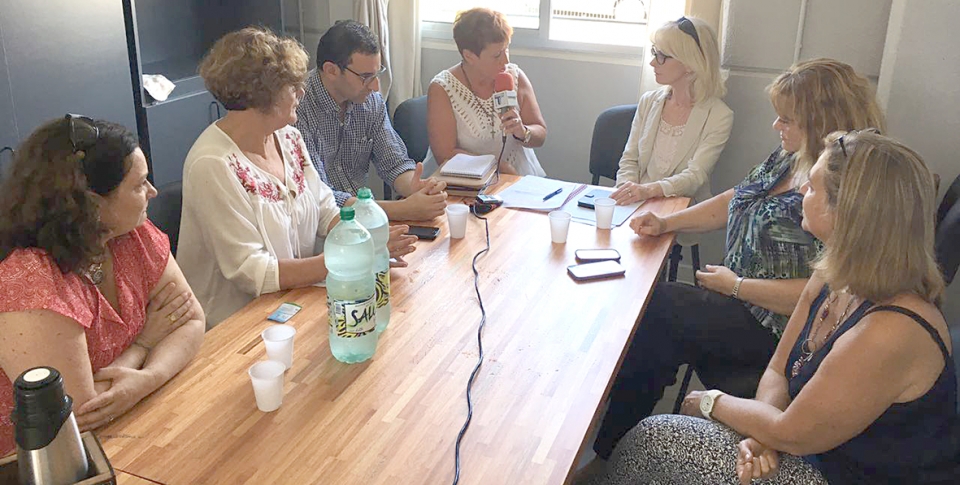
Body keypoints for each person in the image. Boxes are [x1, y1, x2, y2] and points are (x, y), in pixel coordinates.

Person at [590, 131, 960, 484]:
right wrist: (762, 435)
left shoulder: (892, 329)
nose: (801, 190)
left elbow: (793, 433)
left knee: (656, 441)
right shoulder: (830, 273)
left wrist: (710, 402)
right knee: (656, 443)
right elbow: (778, 370)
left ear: (847, 213)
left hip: (842, 475)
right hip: (804, 446)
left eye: (812, 186)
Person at [587, 58, 887, 463]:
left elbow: (829, 294)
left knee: (662, 310)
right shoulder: (790, 156)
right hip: (741, 300)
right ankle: (616, 444)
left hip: (775, 327)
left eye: (787, 119)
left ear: (821, 122)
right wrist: (667, 222)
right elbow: (737, 198)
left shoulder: (840, 187)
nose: (776, 126)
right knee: (659, 317)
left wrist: (737, 287)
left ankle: (611, 451)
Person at [179, 27, 417, 327]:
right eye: (292, 86)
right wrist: (349, 257)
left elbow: (325, 209)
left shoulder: (288, 137)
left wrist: (366, 238)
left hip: (292, 303)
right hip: (234, 325)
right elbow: (253, 272)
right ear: (263, 96)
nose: (301, 93)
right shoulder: (212, 164)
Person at [0, 116, 204, 456]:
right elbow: (80, 413)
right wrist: (145, 344)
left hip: (134, 422)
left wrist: (149, 378)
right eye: (139, 185)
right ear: (92, 204)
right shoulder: (30, 281)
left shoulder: (132, 233)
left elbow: (192, 319)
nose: (153, 192)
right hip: (46, 461)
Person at [296, 20, 447, 222]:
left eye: (377, 74)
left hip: (364, 220)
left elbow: (394, 163)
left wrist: (415, 186)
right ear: (331, 70)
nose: (375, 86)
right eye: (365, 77)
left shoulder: (370, 101)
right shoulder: (296, 108)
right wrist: (402, 209)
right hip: (320, 227)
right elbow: (318, 198)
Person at [610, 16, 732, 207]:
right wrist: (627, 192)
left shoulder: (719, 116)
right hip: (636, 204)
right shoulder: (648, 101)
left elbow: (696, 176)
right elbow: (630, 159)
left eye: (662, 56)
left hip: (684, 211)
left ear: (690, 63)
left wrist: (648, 191)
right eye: (654, 52)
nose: (653, 63)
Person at [425, 7, 547, 176]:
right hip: (467, 179)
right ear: (469, 56)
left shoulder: (515, 75)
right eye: (497, 55)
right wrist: (496, 167)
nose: (506, 60)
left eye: (506, 49)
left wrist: (523, 131)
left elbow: (540, 134)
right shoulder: (442, 88)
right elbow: (445, 154)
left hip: (517, 176)